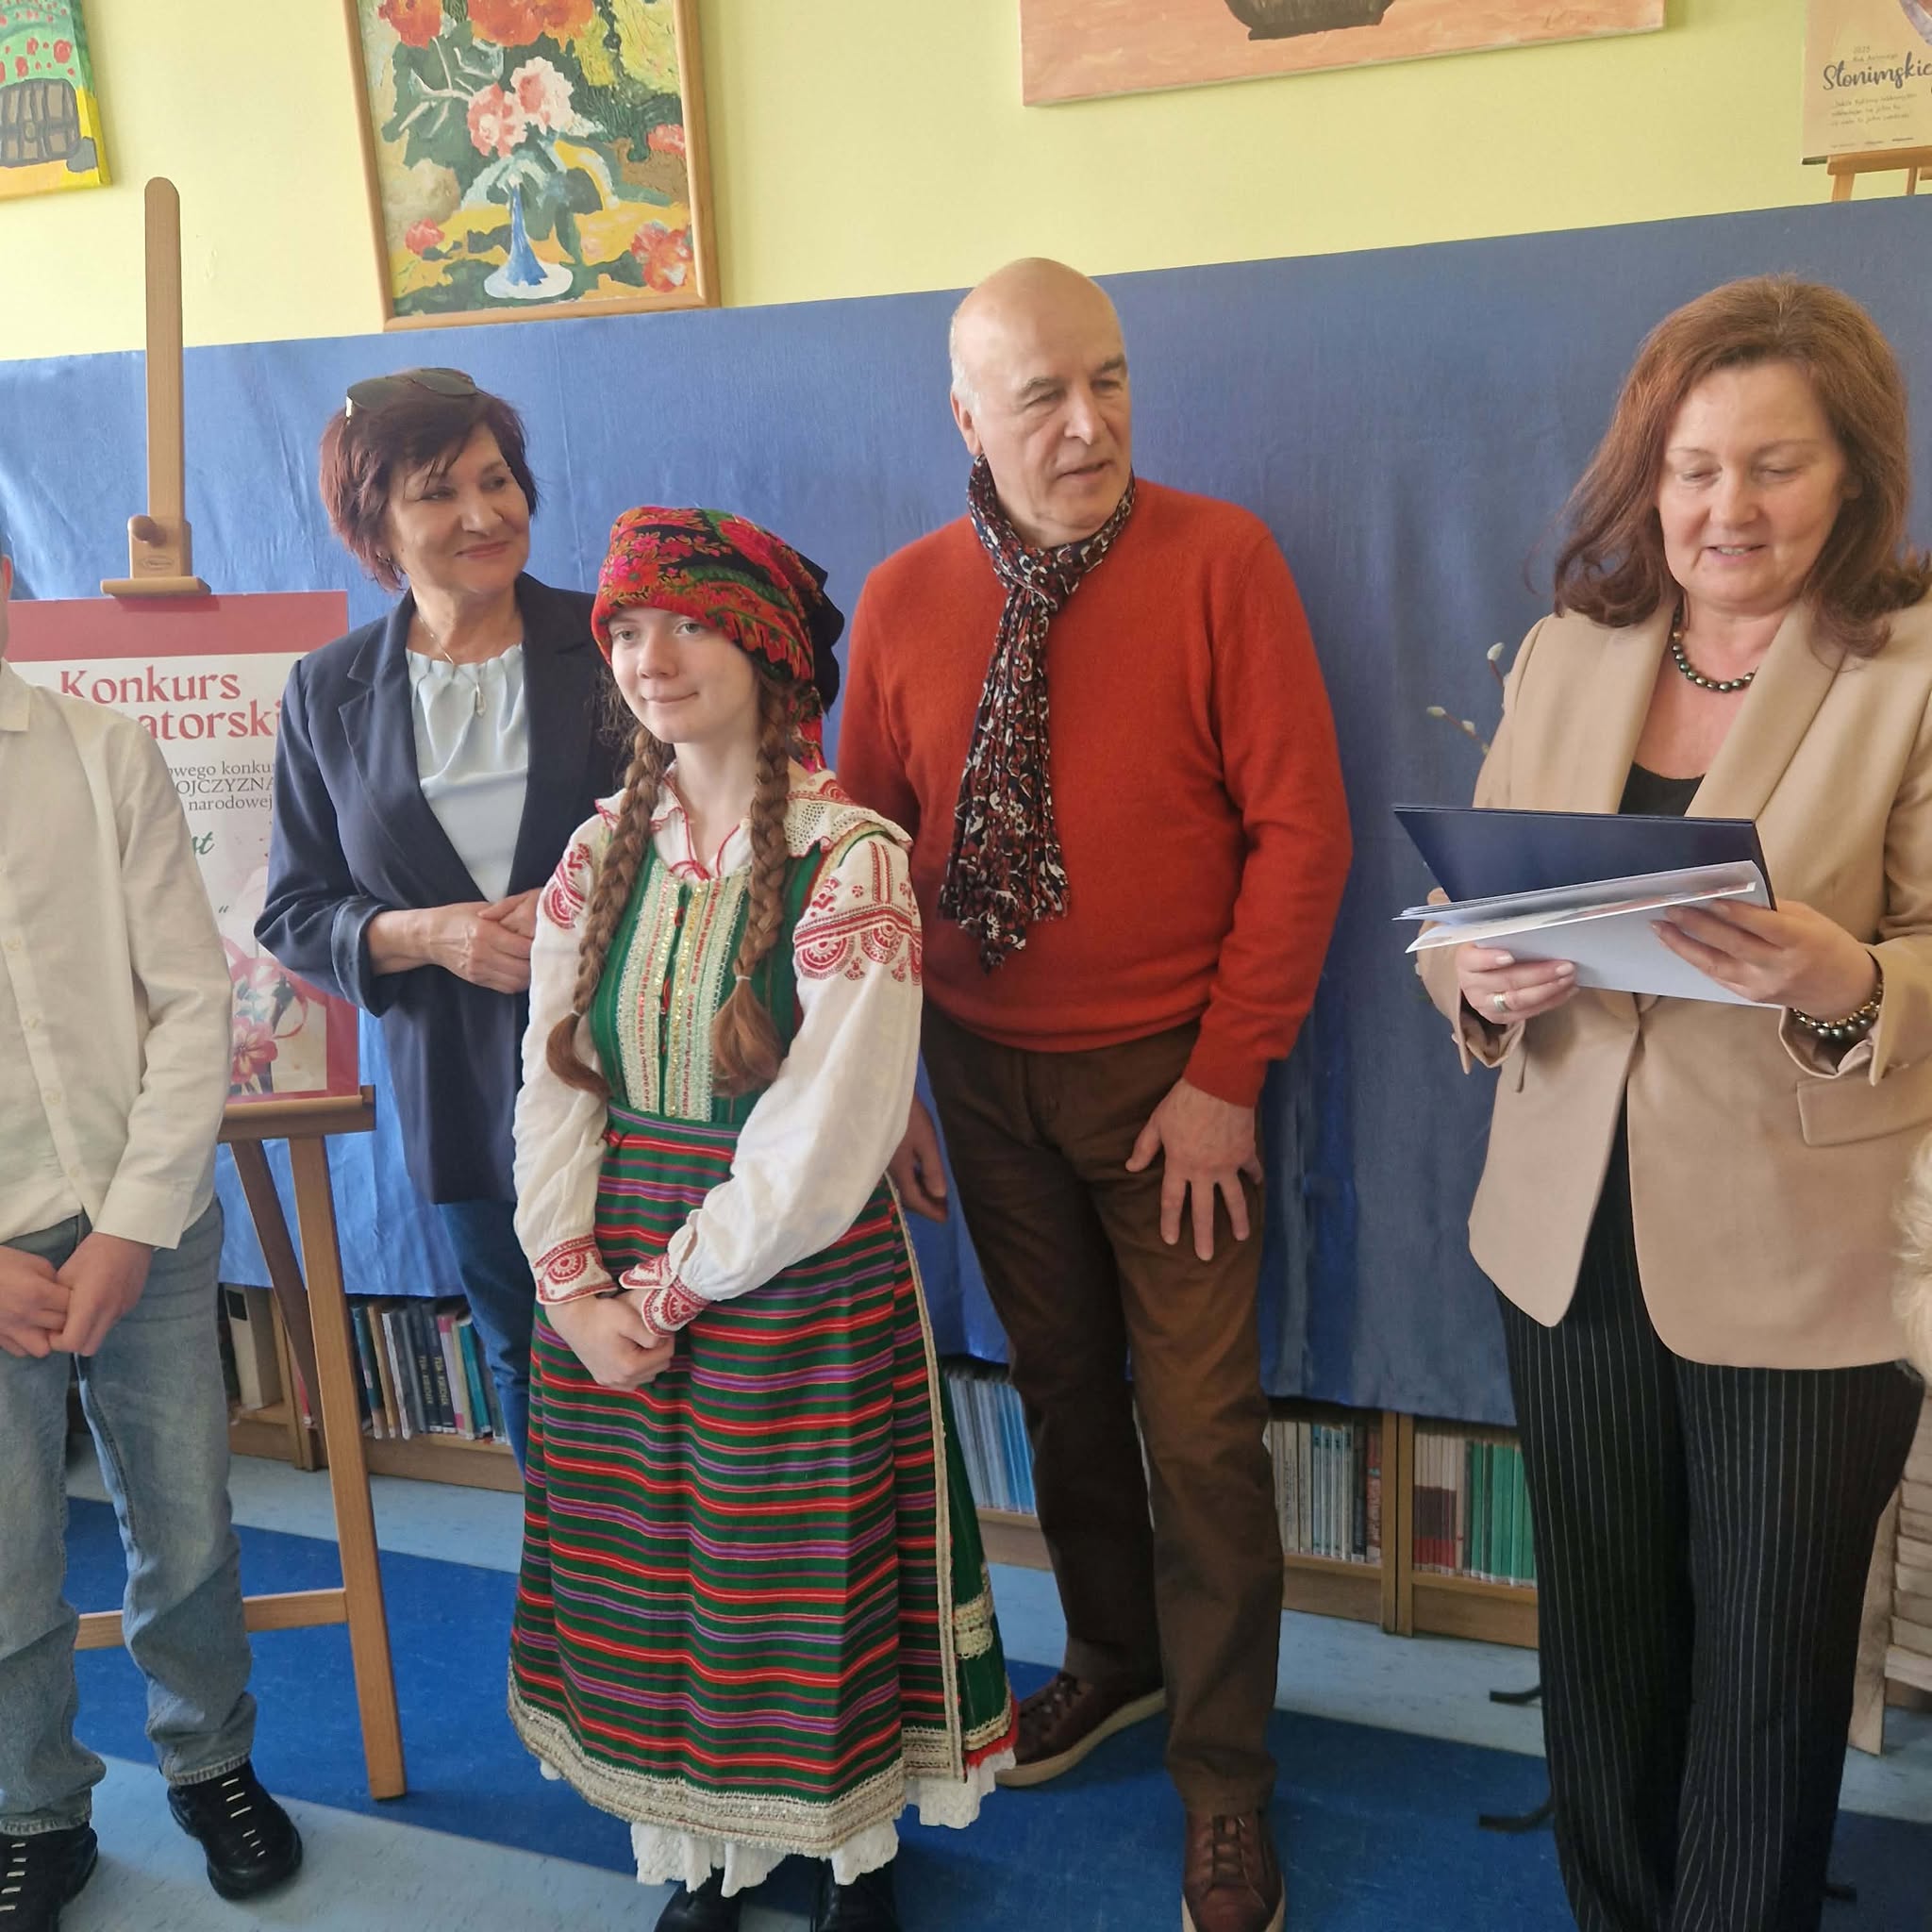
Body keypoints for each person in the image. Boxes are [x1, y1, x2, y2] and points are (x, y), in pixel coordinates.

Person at [837, 258, 1352, 1932]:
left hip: (1171, 1087)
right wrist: (883, 1082)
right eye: (1043, 394)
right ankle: (1113, 1659)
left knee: (1200, 1438)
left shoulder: (1221, 561)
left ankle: (1225, 1781)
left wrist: (1223, 1079)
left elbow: (1302, 835)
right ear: (966, 418)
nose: (1088, 423)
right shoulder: (903, 598)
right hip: (981, 1080)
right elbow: (861, 865)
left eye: (1110, 379)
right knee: (1059, 1392)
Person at [1418, 276, 1932, 1931]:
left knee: (1768, 1668)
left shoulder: (1912, 668)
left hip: (1804, 1255)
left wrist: (1843, 976)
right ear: (1646, 477)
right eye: (1694, 468)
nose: (1728, 508)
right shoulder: (1568, 655)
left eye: (1775, 466)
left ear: (1854, 473)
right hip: (1566, 1235)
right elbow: (1462, 912)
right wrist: (1475, 980)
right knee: (1603, 1639)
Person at [508, 508, 1016, 1932]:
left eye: (688, 623)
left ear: (767, 648)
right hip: (611, 1263)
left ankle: (854, 1857)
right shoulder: (598, 850)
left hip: (785, 1275)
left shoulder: (851, 859)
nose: (649, 657)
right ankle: (702, 1856)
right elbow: (552, 1081)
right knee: (650, 1588)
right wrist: (570, 1286)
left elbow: (825, 1137)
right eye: (625, 629)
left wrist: (673, 1290)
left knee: (788, 1586)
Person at [0, 514, 303, 1930]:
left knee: (185, 1521)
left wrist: (127, 1226)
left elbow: (194, 1001)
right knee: (6, 1555)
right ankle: (34, 1804)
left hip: (148, 1221)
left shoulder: (98, 750)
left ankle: (210, 1758)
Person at [257, 368, 625, 1467]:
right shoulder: (326, 689)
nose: (482, 513)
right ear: (374, 524)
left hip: (630, 1062)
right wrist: (432, 933)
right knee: (525, 1348)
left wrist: (580, 903)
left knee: (665, 1335)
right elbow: (295, 909)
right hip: (459, 1088)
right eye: (438, 491)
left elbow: (709, 827)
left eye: (496, 479)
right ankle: (568, 1565)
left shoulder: (617, 639)